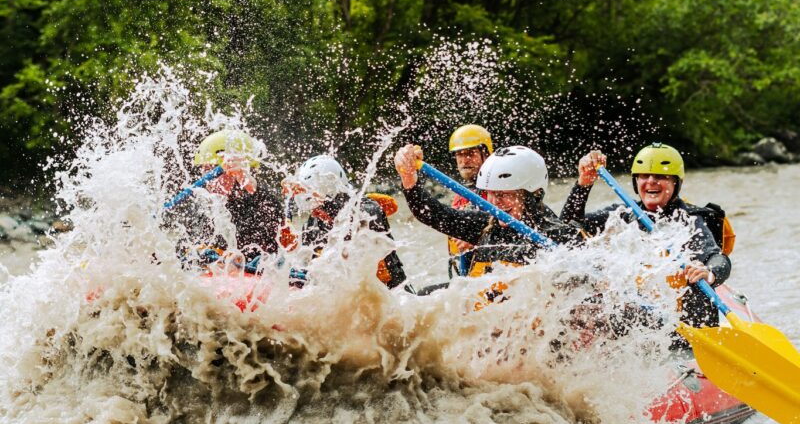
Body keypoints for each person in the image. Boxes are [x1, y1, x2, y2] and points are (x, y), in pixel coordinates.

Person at [559, 143, 731, 333]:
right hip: (644, 323)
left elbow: (719, 258)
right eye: (644, 176)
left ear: (676, 183)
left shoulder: (689, 220)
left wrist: (708, 272)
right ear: (635, 182)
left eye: (660, 176)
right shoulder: (623, 215)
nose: (651, 181)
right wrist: (583, 184)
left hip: (684, 329)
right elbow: (566, 230)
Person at [394, 143, 583, 280]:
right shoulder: (485, 225)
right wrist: (409, 178)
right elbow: (434, 214)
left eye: (503, 194)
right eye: (490, 193)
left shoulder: (560, 236)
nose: (494, 203)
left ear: (532, 193)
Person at [284, 155, 407, 289]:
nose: (314, 214)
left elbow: (352, 223)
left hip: (393, 291)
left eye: (319, 208)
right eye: (311, 210)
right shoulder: (313, 225)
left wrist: (325, 203)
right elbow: (306, 269)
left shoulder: (367, 209)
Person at [191, 129, 283, 266]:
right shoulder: (206, 205)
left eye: (214, 171)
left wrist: (253, 188)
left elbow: (278, 226)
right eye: (205, 170)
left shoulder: (262, 202)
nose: (209, 180)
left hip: (255, 272)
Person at [446, 124, 493, 276]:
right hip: (469, 276)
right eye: (459, 154)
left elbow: (510, 230)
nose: (464, 160)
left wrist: (477, 240)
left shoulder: (500, 190)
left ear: (486, 154)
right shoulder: (462, 194)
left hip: (495, 275)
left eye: (470, 153)